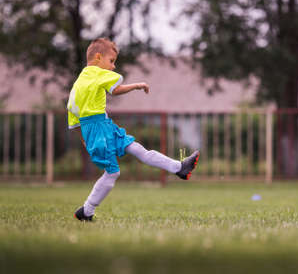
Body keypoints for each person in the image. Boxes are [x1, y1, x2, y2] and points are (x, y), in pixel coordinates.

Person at [67, 38, 199, 221]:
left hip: (101, 128)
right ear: (98, 57)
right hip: (98, 130)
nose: (113, 67)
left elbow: (73, 118)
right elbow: (115, 89)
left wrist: (85, 139)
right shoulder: (96, 73)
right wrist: (137, 86)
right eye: (111, 61)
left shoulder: (78, 84)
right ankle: (86, 211)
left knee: (137, 149)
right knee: (113, 173)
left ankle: (180, 168)